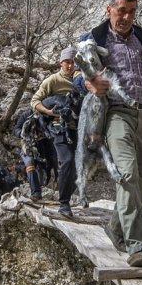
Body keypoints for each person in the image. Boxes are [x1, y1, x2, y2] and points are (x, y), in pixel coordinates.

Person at [82, 0, 142, 268]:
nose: (127, 17)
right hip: (116, 114)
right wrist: (89, 83)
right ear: (109, 9)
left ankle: (115, 227)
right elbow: (76, 75)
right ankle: (138, 247)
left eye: (132, 11)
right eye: (122, 11)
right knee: (127, 173)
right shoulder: (94, 38)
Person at [31, 47, 80, 217]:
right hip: (60, 128)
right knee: (67, 160)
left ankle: (70, 192)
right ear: (61, 62)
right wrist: (50, 112)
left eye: (73, 62)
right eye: (67, 61)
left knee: (78, 166)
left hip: (80, 127)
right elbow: (35, 101)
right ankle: (64, 203)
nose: (70, 65)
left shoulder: (81, 79)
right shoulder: (52, 80)